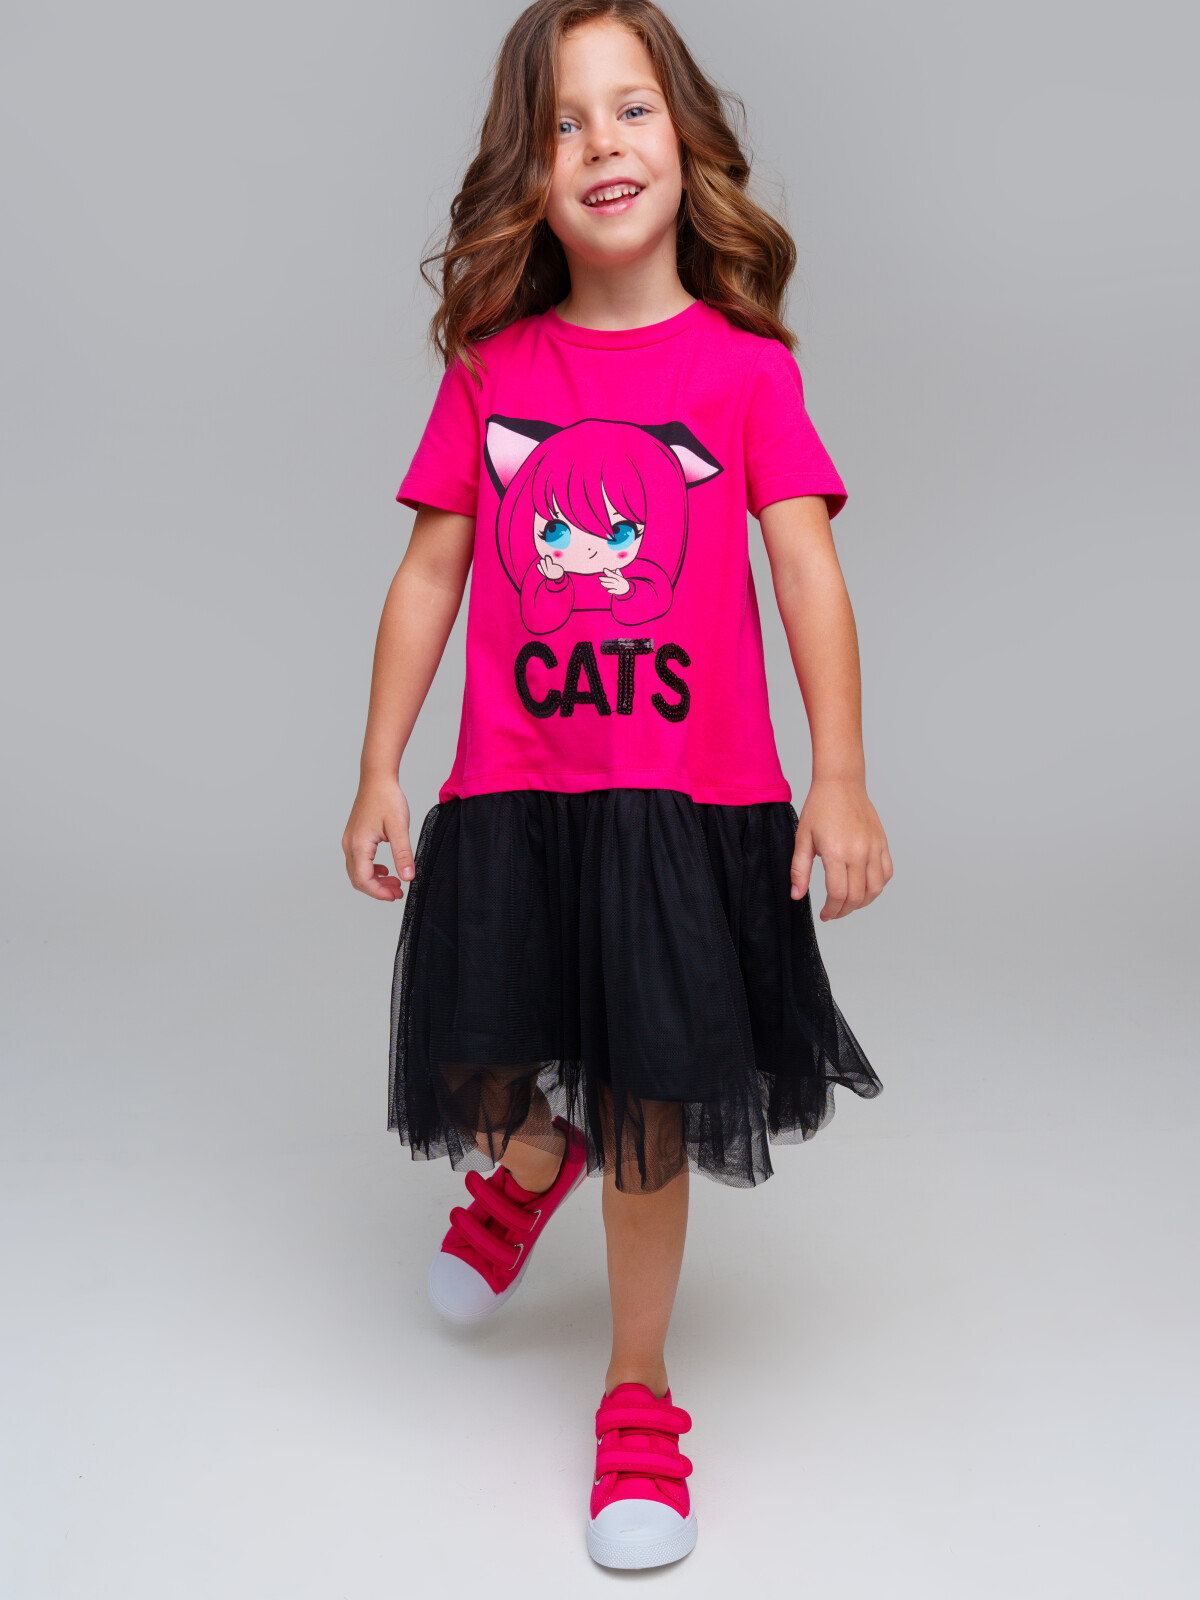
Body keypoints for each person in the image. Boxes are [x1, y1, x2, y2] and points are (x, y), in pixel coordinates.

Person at [342, 0, 892, 1571]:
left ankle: (637, 1390)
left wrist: (840, 775)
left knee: (649, 1100)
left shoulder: (744, 375)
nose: (601, 144)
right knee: (493, 1056)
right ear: (528, 171)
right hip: (518, 795)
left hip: (683, 806)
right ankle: (533, 1161)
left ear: (686, 139)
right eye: (564, 122)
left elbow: (807, 575)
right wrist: (378, 765)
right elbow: (430, 574)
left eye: (631, 109)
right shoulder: (494, 374)